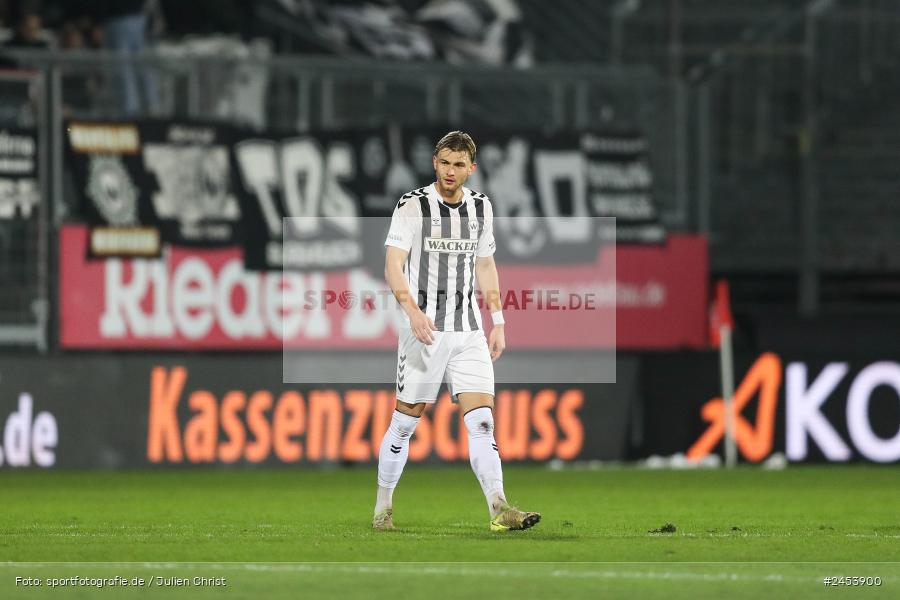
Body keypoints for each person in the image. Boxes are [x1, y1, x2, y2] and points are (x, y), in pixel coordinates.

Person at [374, 130, 540, 532]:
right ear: (435, 162)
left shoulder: (482, 208)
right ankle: (383, 508)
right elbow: (393, 264)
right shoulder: (413, 206)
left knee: (482, 420)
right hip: (425, 330)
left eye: (459, 164)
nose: (450, 171)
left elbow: (485, 266)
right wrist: (411, 312)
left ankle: (500, 509)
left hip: (469, 331)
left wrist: (498, 321)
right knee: (406, 421)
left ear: (471, 169)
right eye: (445, 162)